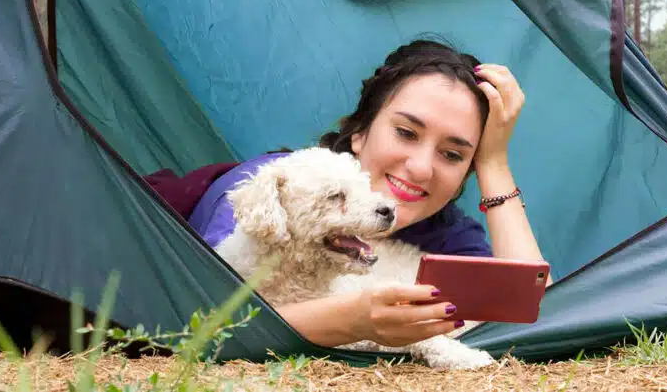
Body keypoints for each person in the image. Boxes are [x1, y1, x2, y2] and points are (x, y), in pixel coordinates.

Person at [188, 39, 547, 348]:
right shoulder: (279, 188)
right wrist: (352, 319)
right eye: (406, 132)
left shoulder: (443, 233)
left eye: (453, 155)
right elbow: (203, 318)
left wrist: (494, 163)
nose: (422, 167)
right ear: (359, 132)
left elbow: (538, 314)